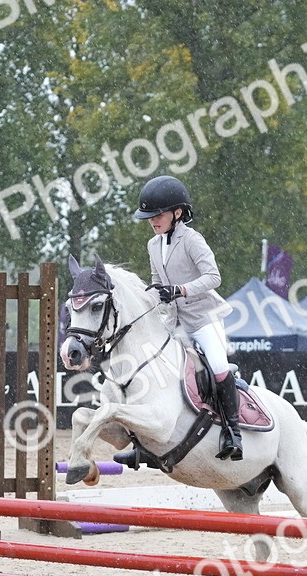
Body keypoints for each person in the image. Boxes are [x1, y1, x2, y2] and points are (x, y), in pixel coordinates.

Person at [132, 175, 243, 461]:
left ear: (177, 213)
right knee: (151, 367)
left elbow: (214, 277)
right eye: (149, 217)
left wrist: (180, 289)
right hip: (173, 321)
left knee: (218, 366)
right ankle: (140, 442)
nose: (153, 221)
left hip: (204, 317)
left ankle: (233, 432)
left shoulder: (192, 240)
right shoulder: (153, 245)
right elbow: (158, 282)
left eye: (157, 215)